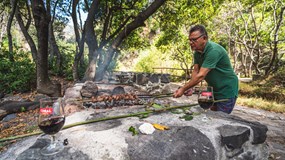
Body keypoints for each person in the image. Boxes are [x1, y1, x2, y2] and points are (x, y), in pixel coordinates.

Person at [173, 24, 239, 114]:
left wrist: (183, 89)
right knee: (210, 115)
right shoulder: (197, 52)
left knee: (220, 118)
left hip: (226, 90)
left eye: (194, 40)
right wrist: (190, 87)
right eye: (190, 40)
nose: (191, 42)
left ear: (204, 38)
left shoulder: (213, 51)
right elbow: (196, 71)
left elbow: (201, 75)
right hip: (212, 90)